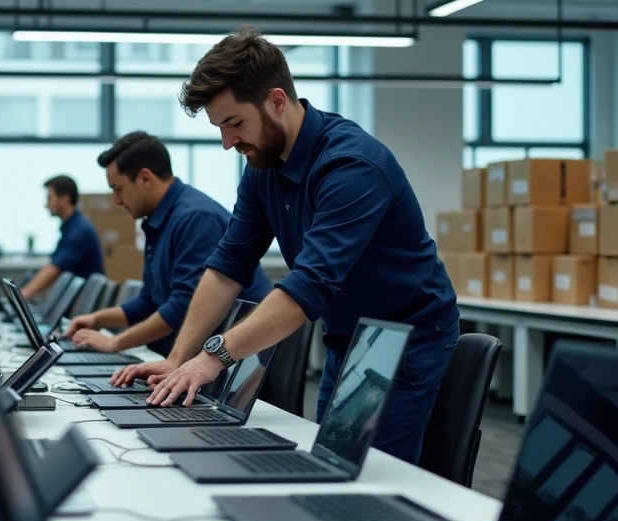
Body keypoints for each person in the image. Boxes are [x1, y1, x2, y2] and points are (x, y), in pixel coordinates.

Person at [113, 26, 459, 464]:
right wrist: (179, 358)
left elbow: (307, 287)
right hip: (347, 338)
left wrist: (213, 356)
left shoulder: (351, 166)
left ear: (277, 101)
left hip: (407, 339)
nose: (227, 142)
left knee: (375, 474)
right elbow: (227, 266)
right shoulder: (262, 167)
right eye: (220, 128)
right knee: (332, 463)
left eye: (234, 123)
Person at [66, 132, 272, 356]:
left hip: (238, 360)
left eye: (118, 188)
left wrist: (116, 342)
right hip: (201, 357)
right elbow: (149, 300)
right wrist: (99, 317)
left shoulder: (195, 217)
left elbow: (184, 305)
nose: (117, 200)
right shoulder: (158, 220)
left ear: (145, 178)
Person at [19, 175, 104, 299]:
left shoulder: (80, 230)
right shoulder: (71, 227)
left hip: (83, 308)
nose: (46, 205)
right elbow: (51, 264)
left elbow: (54, 270)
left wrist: (23, 295)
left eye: (49, 199)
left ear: (64, 199)